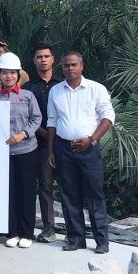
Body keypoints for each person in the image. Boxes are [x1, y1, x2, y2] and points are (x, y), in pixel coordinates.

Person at [46, 51, 115, 254]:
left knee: (94, 194)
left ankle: (102, 241)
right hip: (64, 149)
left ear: (82, 66)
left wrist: (92, 140)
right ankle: (76, 238)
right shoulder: (56, 91)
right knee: (69, 195)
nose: (70, 68)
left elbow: (108, 116)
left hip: (88, 148)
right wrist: (50, 150)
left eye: (74, 64)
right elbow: (51, 121)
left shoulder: (96, 89)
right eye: (66, 65)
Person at [0, 52, 42, 249]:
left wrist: (23, 134)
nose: (8, 77)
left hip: (26, 151)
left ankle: (27, 233)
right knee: (9, 193)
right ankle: (12, 232)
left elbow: (36, 119)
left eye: (12, 73)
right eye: (5, 73)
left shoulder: (27, 95)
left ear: (18, 75)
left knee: (27, 192)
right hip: (4, 154)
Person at [22, 43, 60, 243]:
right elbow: (25, 117)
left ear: (53, 59)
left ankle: (75, 229)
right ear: (34, 61)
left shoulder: (61, 86)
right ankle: (49, 228)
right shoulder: (27, 88)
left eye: (46, 56)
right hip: (36, 144)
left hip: (63, 144)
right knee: (43, 185)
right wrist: (47, 136)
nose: (43, 60)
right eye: (39, 57)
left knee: (68, 186)